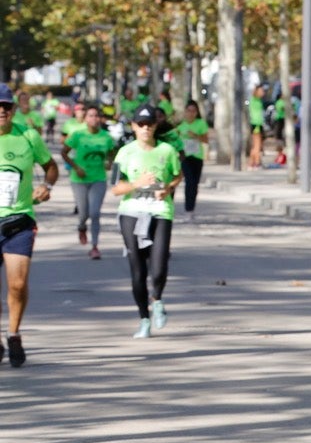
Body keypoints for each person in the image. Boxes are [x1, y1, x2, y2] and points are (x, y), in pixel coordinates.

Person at [110, 103, 181, 338]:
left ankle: (157, 299)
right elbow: (116, 188)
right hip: (132, 212)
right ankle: (143, 318)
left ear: (155, 125)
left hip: (160, 210)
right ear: (133, 126)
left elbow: (177, 175)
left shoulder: (167, 151)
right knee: (137, 270)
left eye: (149, 124)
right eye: (140, 124)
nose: (145, 128)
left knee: (159, 266)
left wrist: (168, 189)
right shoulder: (125, 152)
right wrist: (137, 184)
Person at [0, 84, 56, 365]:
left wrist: (46, 186)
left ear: (13, 109)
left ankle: (13, 333)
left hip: (18, 220)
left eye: (6, 106)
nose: (1, 110)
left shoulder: (29, 136)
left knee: (17, 284)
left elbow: (51, 166)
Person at [63, 104, 115, 258]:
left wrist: (109, 163)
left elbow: (112, 153)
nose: (94, 118)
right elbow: (64, 153)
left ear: (100, 118)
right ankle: (81, 227)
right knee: (83, 213)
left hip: (98, 179)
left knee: (95, 213)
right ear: (85, 118)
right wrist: (76, 167)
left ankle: (95, 246)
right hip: (79, 179)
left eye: (96, 115)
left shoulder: (106, 137)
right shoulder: (78, 135)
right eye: (90, 115)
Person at [174, 100, 209, 222]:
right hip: (185, 157)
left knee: (194, 184)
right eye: (188, 110)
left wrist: (195, 135)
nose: (191, 113)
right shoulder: (180, 126)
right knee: (189, 182)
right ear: (185, 112)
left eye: (193, 111)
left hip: (197, 157)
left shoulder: (201, 124)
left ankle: (191, 209)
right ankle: (188, 210)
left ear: (197, 112)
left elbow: (206, 140)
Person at [247, 84, 266, 169]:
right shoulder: (254, 99)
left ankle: (252, 162)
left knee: (257, 144)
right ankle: (256, 163)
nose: (263, 93)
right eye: (261, 91)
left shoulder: (259, 100)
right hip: (256, 123)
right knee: (257, 144)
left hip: (259, 123)